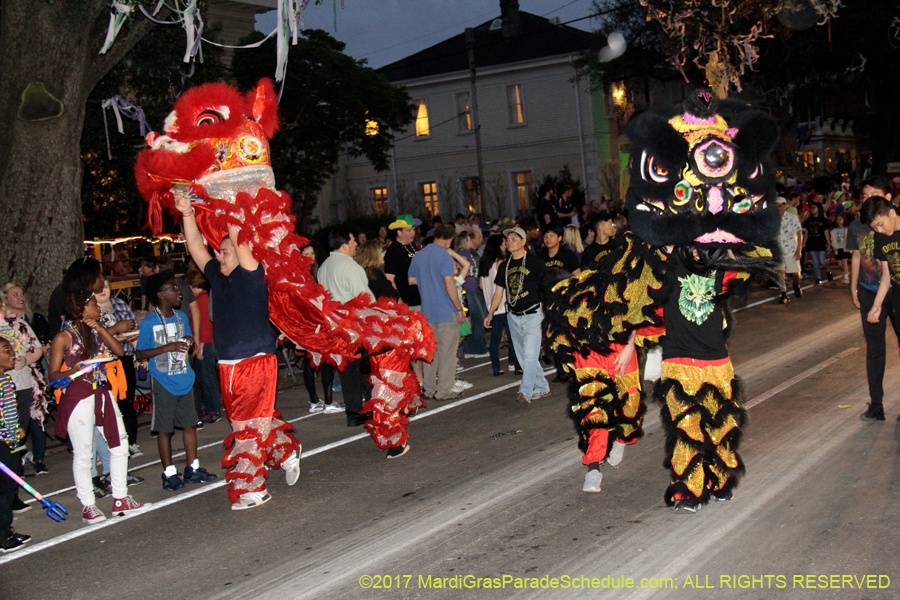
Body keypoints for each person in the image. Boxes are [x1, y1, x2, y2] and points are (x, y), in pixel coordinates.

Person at [176, 192, 301, 511]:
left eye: (227, 250)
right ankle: (285, 451)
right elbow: (195, 246)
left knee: (246, 428)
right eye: (219, 252)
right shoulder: (217, 278)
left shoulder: (251, 272)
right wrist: (187, 212)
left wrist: (227, 195)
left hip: (256, 361)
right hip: (228, 365)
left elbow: (237, 232)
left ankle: (252, 489)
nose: (220, 255)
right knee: (250, 422)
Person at [49, 275, 150, 524]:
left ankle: (121, 498)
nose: (98, 306)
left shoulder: (96, 332)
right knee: (84, 453)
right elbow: (52, 375)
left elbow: (118, 351)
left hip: (102, 391)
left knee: (120, 444)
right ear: (82, 308)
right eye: (93, 303)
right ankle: (88, 505)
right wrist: (74, 369)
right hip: (78, 395)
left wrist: (101, 328)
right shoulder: (63, 337)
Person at [136, 272, 217, 491]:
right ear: (161, 295)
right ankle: (169, 472)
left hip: (184, 377)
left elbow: (188, 340)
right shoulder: (150, 322)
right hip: (163, 381)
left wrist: (190, 341)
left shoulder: (181, 317)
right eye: (174, 288)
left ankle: (192, 467)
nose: (180, 292)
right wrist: (167, 348)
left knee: (190, 424)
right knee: (165, 429)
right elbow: (140, 353)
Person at [484, 227, 550, 406]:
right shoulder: (505, 266)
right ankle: (542, 387)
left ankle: (525, 391)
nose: (510, 241)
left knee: (529, 354)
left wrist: (549, 309)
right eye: (508, 239)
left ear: (523, 242)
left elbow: (547, 286)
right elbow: (498, 293)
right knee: (523, 356)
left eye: (515, 238)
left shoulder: (534, 262)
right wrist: (490, 313)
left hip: (533, 314)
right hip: (513, 315)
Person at [851, 179, 896, 421]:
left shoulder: (890, 227)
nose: (869, 199)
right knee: (875, 350)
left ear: (887, 199)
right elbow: (858, 257)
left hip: (895, 295)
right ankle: (876, 405)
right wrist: (857, 290)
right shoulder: (867, 230)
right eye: (865, 196)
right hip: (872, 292)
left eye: (874, 195)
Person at [318, 230, 375, 426]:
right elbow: (363, 298)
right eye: (353, 242)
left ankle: (353, 412)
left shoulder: (324, 267)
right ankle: (371, 407)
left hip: (335, 326)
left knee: (347, 370)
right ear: (344, 246)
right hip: (355, 325)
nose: (356, 245)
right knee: (366, 369)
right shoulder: (350, 266)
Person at [409, 224, 467, 401]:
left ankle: (428, 388)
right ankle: (444, 390)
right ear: (449, 240)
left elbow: (411, 280)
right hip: (445, 310)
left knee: (430, 353)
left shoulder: (419, 255)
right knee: (448, 353)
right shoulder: (444, 256)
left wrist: (428, 283)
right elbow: (449, 284)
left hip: (427, 311)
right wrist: (459, 308)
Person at [0, 284, 49, 483]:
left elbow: (37, 349)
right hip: (3, 387)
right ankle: (11, 480)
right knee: (7, 436)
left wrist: (26, 360)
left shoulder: (18, 324)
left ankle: (16, 474)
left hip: (23, 384)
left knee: (21, 429)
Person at [94, 279, 142, 457]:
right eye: (99, 288)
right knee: (108, 404)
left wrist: (139, 355)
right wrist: (116, 330)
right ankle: (108, 448)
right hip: (105, 362)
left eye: (106, 286)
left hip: (125, 358)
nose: (103, 291)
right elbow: (98, 338)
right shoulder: (91, 311)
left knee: (126, 403)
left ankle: (131, 442)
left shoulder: (119, 304)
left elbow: (134, 330)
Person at [299, 245, 339, 414]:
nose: (310, 257)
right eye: (305, 254)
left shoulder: (316, 272)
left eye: (312, 253)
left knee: (314, 361)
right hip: (310, 324)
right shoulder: (300, 276)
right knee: (320, 360)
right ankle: (324, 402)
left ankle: (317, 401)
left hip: (316, 322)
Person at [0, 334, 31, 552]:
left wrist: (16, 428)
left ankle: (6, 528)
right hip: (2, 443)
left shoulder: (5, 380)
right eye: (5, 350)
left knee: (10, 487)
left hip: (11, 442)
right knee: (2, 489)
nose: (12, 354)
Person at [184, 269, 222, 423]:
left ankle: (213, 409)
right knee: (205, 377)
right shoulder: (201, 298)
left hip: (206, 343)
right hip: (204, 343)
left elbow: (206, 325)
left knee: (208, 378)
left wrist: (201, 346)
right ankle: (210, 407)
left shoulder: (202, 300)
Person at [479, 236, 521, 376]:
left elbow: (480, 285)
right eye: (504, 244)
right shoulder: (500, 263)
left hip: (491, 305)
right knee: (513, 337)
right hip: (503, 304)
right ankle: (516, 365)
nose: (505, 247)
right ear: (499, 246)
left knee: (495, 339)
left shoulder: (485, 264)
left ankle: (496, 367)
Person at [455, 230, 489, 359]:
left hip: (471, 289)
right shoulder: (463, 253)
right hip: (468, 290)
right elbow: (461, 267)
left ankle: (473, 348)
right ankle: (476, 348)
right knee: (477, 318)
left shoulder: (468, 253)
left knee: (476, 319)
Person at [384, 214, 422, 308]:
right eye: (409, 230)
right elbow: (389, 278)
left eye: (413, 229)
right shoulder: (394, 250)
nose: (413, 232)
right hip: (407, 302)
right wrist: (398, 300)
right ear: (399, 232)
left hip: (419, 298)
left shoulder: (411, 245)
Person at [776, 197, 803, 304]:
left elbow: (799, 232)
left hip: (791, 249)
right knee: (780, 272)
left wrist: (799, 250)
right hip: (779, 250)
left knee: (795, 273)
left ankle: (796, 284)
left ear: (784, 205)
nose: (778, 208)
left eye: (780, 205)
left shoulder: (792, 217)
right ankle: (784, 294)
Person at [805, 202, 833, 284]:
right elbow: (807, 232)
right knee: (815, 262)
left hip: (821, 242)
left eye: (814, 207)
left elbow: (826, 232)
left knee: (822, 260)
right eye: (811, 208)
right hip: (811, 243)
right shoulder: (809, 220)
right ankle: (818, 278)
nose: (813, 209)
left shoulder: (823, 220)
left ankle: (827, 271)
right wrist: (804, 242)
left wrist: (828, 244)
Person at [831, 213, 850, 284]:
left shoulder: (846, 230)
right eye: (837, 220)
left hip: (845, 248)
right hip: (838, 248)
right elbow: (832, 239)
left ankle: (846, 277)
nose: (839, 221)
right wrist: (833, 246)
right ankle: (844, 272)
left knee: (844, 262)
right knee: (840, 264)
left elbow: (849, 238)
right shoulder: (834, 230)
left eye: (840, 219)